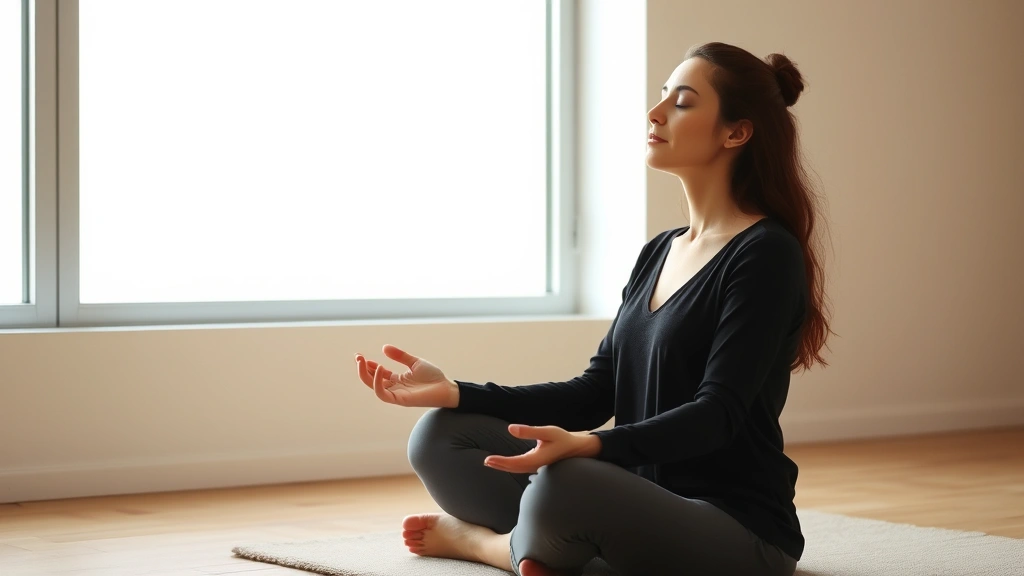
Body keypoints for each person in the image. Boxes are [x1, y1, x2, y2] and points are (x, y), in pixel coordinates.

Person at [353, 41, 833, 576]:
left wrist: (590, 447)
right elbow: (595, 391)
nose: (655, 113)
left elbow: (717, 416)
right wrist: (459, 392)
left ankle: (487, 546)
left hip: (738, 534)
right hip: (634, 501)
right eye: (661, 97)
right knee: (441, 433)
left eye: (683, 102)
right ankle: (546, 542)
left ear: (735, 132)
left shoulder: (766, 253)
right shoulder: (661, 250)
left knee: (567, 477)